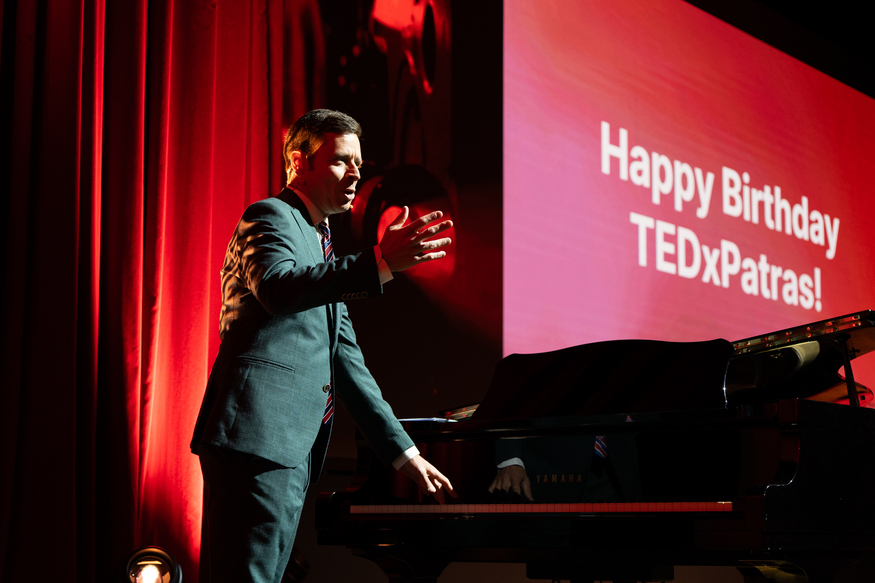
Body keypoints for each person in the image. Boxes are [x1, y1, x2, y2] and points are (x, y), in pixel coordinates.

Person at [190, 109, 456, 583]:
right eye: (340, 161)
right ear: (299, 162)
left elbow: (347, 363)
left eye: (359, 163)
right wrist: (379, 262)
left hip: (287, 448)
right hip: (258, 437)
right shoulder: (270, 216)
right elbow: (277, 288)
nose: (355, 173)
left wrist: (406, 454)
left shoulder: (322, 246)